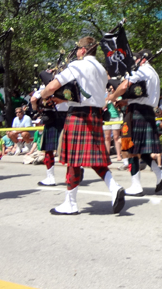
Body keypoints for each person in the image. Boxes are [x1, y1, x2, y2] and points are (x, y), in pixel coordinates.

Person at [40, 36, 125, 215]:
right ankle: (114, 187)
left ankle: (70, 203)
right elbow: (84, 92)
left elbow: (53, 85)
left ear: (84, 50)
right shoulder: (102, 70)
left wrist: (44, 95)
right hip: (95, 115)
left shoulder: (77, 66)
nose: (76, 52)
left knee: (73, 159)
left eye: (78, 49)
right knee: (95, 159)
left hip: (78, 115)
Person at [108, 49, 162, 196]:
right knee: (141, 151)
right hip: (146, 111)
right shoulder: (153, 73)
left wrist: (112, 97)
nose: (133, 63)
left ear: (141, 59)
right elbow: (141, 94)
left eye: (135, 60)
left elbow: (124, 86)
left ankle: (136, 186)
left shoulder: (141, 71)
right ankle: (160, 175)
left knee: (130, 149)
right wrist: (125, 101)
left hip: (136, 113)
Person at [30, 86, 68, 187]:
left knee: (49, 149)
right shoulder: (68, 82)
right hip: (67, 115)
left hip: (52, 117)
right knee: (68, 146)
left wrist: (37, 106)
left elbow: (33, 100)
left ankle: (50, 178)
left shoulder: (46, 85)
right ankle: (77, 170)